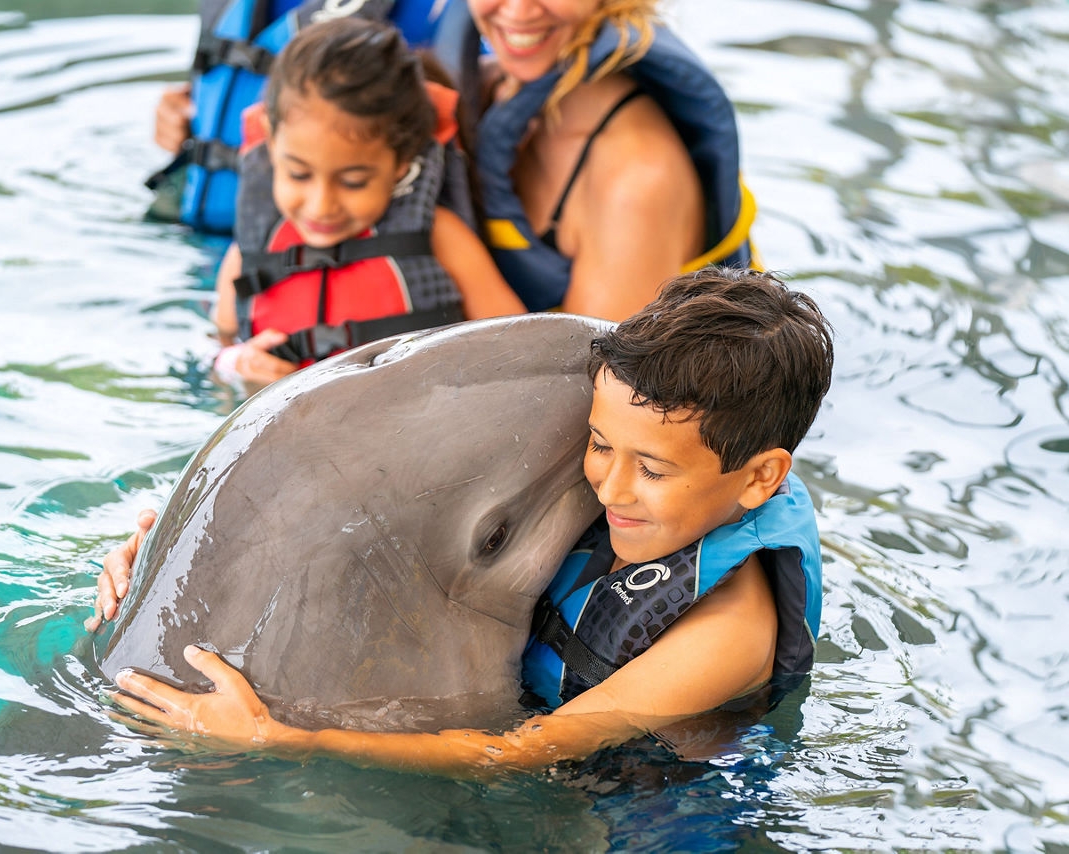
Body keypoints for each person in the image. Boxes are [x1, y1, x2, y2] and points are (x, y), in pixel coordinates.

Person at [87, 268, 834, 775]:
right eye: (598, 447)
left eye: (652, 467)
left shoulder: (730, 629)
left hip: (638, 812)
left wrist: (283, 740)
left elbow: (525, 751)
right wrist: (164, 559)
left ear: (760, 476)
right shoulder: (650, 505)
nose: (607, 482)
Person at [155, 0, 756, 321]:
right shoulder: (484, 87)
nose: (518, 11)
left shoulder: (634, 177)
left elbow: (597, 408)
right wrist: (198, 120)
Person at [208, 17, 524, 385]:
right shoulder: (247, 254)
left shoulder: (441, 238)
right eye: (298, 174)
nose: (321, 206)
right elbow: (219, 340)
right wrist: (235, 364)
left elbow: (518, 351)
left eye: (354, 182)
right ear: (271, 145)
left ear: (401, 162)